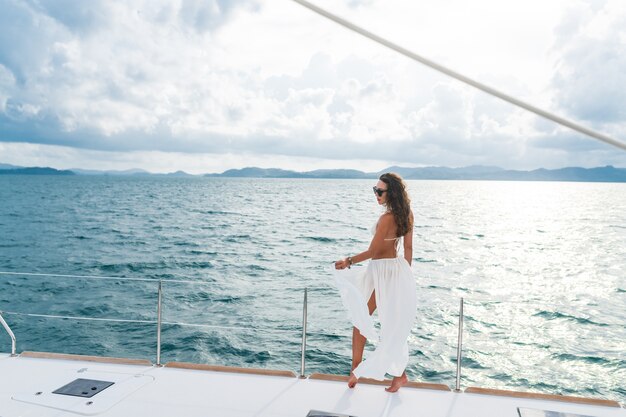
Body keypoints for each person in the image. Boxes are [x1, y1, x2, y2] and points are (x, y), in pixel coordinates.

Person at [334, 172, 417, 393]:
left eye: (380, 191)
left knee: (361, 319)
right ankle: (399, 375)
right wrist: (404, 275)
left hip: (380, 272)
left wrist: (348, 261)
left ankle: (355, 371)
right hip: (397, 271)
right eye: (375, 190)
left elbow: (373, 251)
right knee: (390, 326)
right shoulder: (407, 215)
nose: (376, 195)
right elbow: (408, 249)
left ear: (392, 193)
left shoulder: (386, 219)